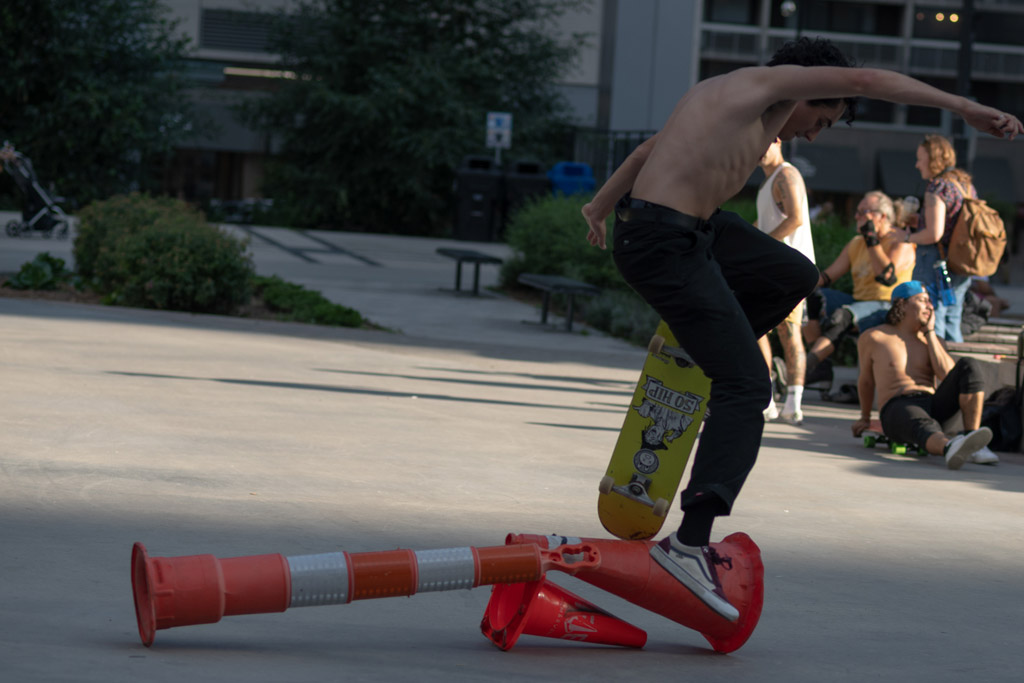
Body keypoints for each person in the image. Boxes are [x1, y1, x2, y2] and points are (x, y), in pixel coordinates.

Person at [580, 36, 1020, 621]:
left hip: (690, 232)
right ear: (810, 86)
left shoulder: (724, 100)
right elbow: (867, 81)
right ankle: (687, 546)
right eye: (822, 119)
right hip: (664, 244)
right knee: (747, 387)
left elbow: (645, 152)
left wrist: (598, 208)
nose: (812, 135)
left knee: (797, 273)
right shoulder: (765, 85)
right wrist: (965, 108)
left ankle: (708, 347)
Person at [853, 280, 999, 468]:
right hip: (898, 407)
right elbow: (866, 381)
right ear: (901, 304)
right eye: (922, 300)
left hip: (932, 404)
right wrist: (864, 418)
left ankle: (973, 440)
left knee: (968, 365)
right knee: (919, 422)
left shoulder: (934, 340)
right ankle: (949, 447)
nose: (930, 306)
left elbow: (947, 375)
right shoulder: (875, 337)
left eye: (930, 301)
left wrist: (930, 333)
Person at [805, 190, 917, 387]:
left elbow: (886, 277)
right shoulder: (856, 243)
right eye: (856, 212)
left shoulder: (900, 242)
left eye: (863, 212)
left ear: (882, 216)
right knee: (806, 299)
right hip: (859, 302)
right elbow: (827, 277)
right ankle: (820, 369)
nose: (856, 217)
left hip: (887, 305)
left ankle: (804, 368)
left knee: (842, 317)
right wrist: (799, 285)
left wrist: (872, 239)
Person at [754, 138, 815, 425]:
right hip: (774, 268)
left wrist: (761, 244)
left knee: (788, 333)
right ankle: (768, 399)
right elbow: (767, 224)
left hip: (790, 269)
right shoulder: (769, 181)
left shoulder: (787, 174)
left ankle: (793, 404)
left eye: (764, 142)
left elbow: (796, 219)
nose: (759, 150)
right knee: (756, 329)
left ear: (778, 141)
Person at [904, 135, 979, 342]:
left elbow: (934, 234)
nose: (917, 164)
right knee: (952, 318)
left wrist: (906, 236)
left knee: (931, 315)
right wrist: (922, 220)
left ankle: (935, 362)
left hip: (935, 260)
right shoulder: (964, 185)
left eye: (920, 159)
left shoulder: (938, 187)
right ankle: (953, 362)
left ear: (934, 159)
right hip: (960, 260)